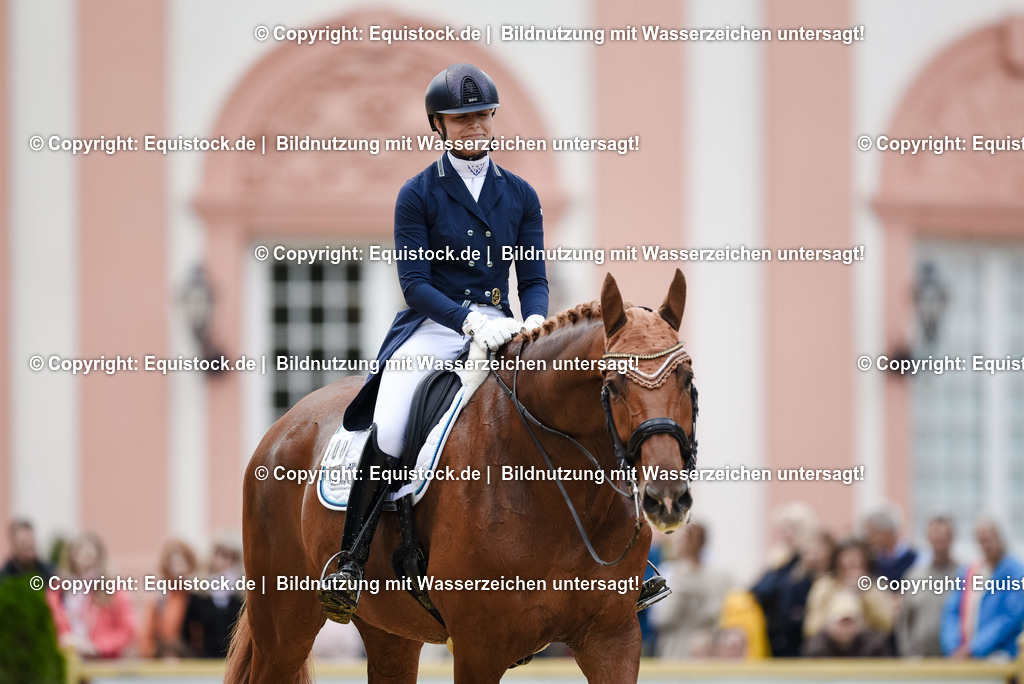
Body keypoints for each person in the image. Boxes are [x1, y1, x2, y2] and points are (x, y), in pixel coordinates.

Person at [317, 62, 552, 624]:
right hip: (436, 327)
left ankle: (621, 567)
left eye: (482, 115)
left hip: (504, 328)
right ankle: (351, 558)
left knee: (563, 403)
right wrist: (469, 321)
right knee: (394, 418)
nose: (474, 126)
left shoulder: (520, 194)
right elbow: (415, 285)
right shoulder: (417, 193)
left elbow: (535, 277)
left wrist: (535, 322)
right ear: (438, 126)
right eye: (461, 118)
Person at [941, 519, 1024, 660]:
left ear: (1000, 538)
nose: (986, 545)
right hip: (965, 657)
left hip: (1001, 656)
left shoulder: (1015, 572)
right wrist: (952, 647)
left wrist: (975, 648)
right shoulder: (968, 571)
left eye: (989, 539)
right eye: (982, 540)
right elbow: (951, 612)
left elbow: (1009, 618)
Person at [650, 522, 732, 658]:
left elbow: (664, 617)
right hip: (709, 647)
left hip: (679, 647)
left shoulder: (677, 575)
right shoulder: (719, 575)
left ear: (685, 543)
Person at [48, 532, 136, 659]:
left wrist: (97, 646)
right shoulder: (58, 592)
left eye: (89, 555)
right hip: (65, 659)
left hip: (101, 662)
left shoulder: (112, 589)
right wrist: (64, 640)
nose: (85, 560)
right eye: (80, 553)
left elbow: (128, 630)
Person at [750, 502, 818, 656]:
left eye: (790, 528)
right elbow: (757, 590)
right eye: (782, 528)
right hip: (773, 640)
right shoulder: (778, 561)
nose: (784, 533)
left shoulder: (808, 565)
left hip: (798, 642)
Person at [803, 538, 894, 640]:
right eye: (847, 557)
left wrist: (865, 596)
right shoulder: (824, 586)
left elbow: (887, 625)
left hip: (868, 645)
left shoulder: (876, 587)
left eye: (857, 557)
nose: (852, 561)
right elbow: (811, 628)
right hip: (828, 644)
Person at [895, 515, 958, 656]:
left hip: (954, 659)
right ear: (928, 538)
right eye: (935, 534)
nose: (939, 539)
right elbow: (904, 621)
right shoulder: (914, 576)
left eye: (944, 535)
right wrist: (907, 654)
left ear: (952, 538)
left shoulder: (964, 575)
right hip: (920, 659)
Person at [183, 535, 245, 657]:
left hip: (235, 659)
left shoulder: (241, 594)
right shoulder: (199, 594)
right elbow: (186, 632)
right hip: (205, 660)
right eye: (221, 555)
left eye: (231, 557)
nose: (225, 562)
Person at [139, 539, 197, 658]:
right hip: (163, 656)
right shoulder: (160, 597)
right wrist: (153, 652)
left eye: (182, 563)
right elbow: (147, 634)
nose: (179, 570)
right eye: (174, 564)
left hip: (189, 657)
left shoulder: (194, 596)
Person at [801, 590, 893, 657]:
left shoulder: (875, 646)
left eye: (850, 623)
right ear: (829, 624)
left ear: (860, 624)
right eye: (841, 623)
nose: (845, 629)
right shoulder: (816, 649)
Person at [864, 507, 918, 582]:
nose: (870, 539)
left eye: (873, 533)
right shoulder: (876, 561)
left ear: (886, 532)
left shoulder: (915, 558)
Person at [0, 519, 54, 583]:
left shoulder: (48, 572)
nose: (28, 545)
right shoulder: (5, 578)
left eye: (31, 539)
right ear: (13, 546)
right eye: (23, 542)